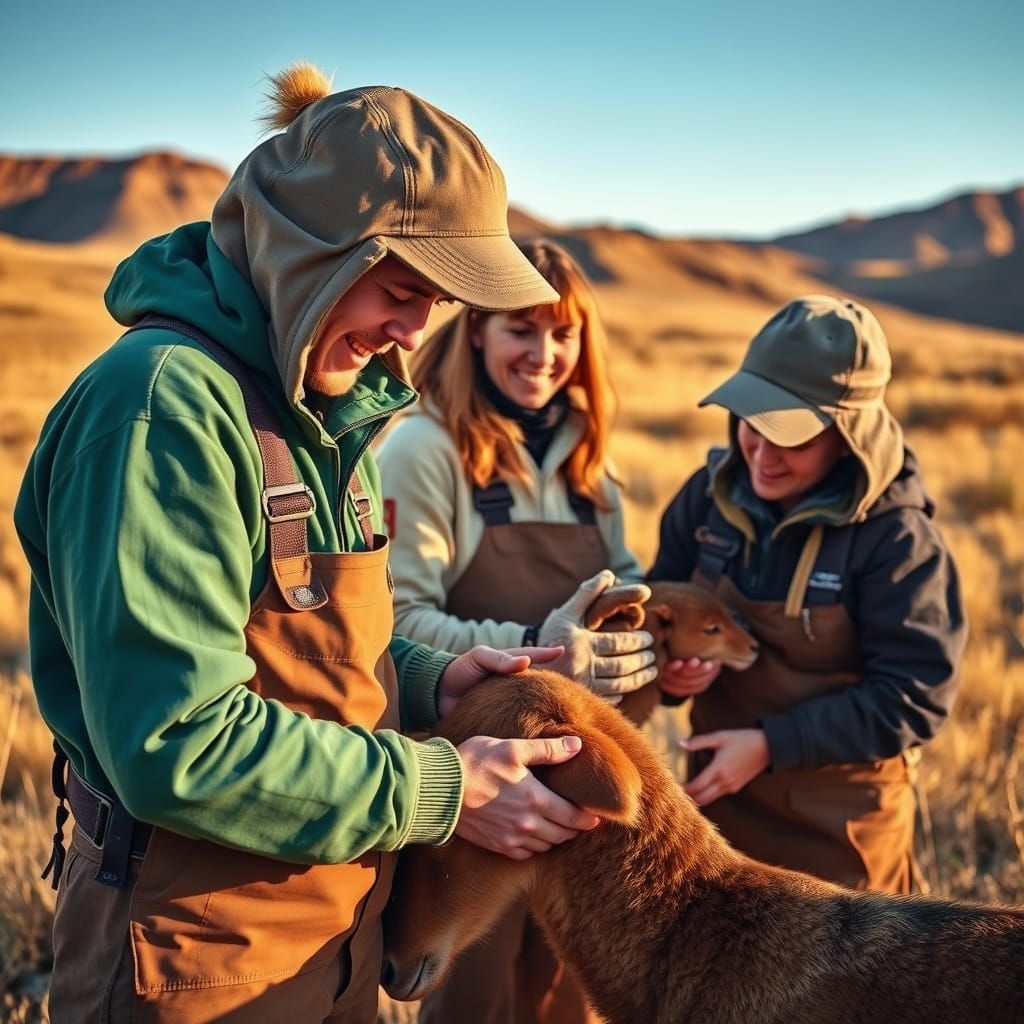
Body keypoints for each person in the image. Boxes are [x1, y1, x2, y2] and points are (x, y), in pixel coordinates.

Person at [14, 65, 620, 1024]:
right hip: (193, 939)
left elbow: (282, 635)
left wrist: (429, 680)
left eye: (439, 301)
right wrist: (444, 787)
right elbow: (175, 740)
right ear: (311, 253)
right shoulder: (162, 408)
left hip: (331, 920)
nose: (412, 331)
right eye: (399, 285)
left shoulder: (324, 406)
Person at [377, 239, 656, 1024]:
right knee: (479, 1002)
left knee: (571, 998)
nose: (545, 356)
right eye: (520, 332)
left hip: (580, 793)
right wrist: (542, 643)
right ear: (473, 331)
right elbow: (397, 622)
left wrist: (645, 641)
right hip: (483, 788)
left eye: (563, 334)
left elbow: (621, 589)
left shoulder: (592, 469)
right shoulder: (427, 451)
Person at [648, 294, 967, 894]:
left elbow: (915, 696)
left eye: (790, 438)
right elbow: (656, 612)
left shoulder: (898, 540)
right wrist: (672, 674)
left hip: (840, 833)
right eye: (751, 424)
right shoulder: (705, 497)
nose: (761, 457)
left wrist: (772, 745)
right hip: (716, 817)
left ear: (850, 436)